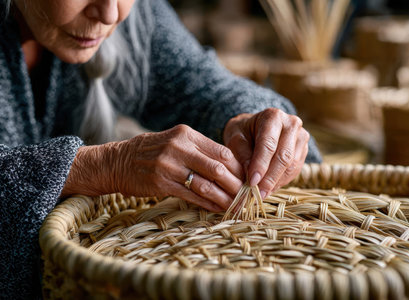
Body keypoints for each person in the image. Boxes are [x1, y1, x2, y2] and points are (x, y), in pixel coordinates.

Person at [0, 0, 321, 298]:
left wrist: (250, 120)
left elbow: (205, 84)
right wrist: (102, 165)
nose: (110, 15)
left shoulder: (141, 16)